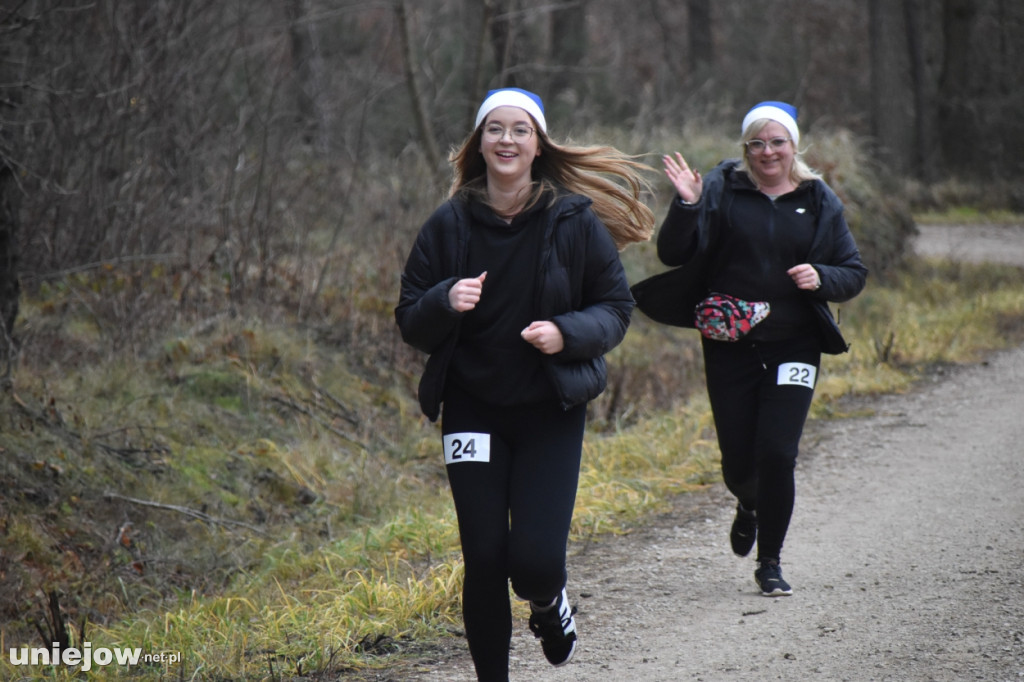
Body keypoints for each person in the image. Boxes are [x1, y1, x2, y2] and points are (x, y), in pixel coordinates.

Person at [395, 87, 654, 681]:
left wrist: (566, 333)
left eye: (519, 130)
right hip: (472, 411)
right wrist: (444, 300)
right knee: (484, 557)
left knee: (534, 562)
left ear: (538, 145)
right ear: (478, 144)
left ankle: (548, 601)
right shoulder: (448, 224)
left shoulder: (573, 221)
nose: (506, 140)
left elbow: (615, 308)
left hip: (548, 412)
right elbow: (410, 318)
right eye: (494, 129)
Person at [631, 101, 868, 597]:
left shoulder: (818, 199)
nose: (767, 152)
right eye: (757, 143)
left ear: (793, 147)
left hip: (795, 344)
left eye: (777, 142)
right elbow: (673, 253)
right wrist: (688, 204)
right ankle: (749, 502)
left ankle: (771, 563)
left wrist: (822, 276)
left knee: (778, 452)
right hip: (730, 345)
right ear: (745, 149)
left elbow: (853, 272)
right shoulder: (722, 190)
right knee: (739, 462)